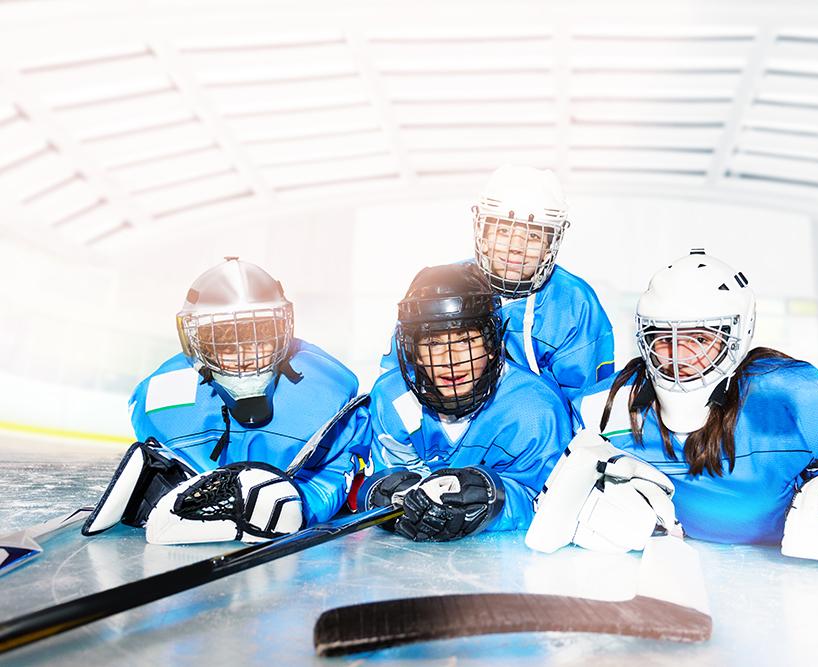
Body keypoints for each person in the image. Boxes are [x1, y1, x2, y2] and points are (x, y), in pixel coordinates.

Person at [555, 249, 818, 576]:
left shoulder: (788, 397)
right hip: (686, 578)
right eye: (663, 338)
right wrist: (584, 496)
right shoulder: (604, 409)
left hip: (795, 588)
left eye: (699, 338)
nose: (678, 356)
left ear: (736, 336)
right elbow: (549, 463)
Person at [82, 258, 371, 544]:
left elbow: (334, 474)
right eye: (225, 343)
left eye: (259, 338)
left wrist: (300, 505)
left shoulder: (331, 396)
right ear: (198, 344)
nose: (245, 358)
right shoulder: (159, 400)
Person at [361, 262, 572, 541]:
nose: (450, 361)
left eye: (465, 341)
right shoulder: (392, 398)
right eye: (434, 344)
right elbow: (391, 474)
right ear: (414, 352)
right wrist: (388, 495)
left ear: (491, 345)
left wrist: (494, 502)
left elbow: (552, 504)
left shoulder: (535, 410)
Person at [382, 165, 615, 402]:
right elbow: (397, 381)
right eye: (503, 231)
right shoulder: (440, 289)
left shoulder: (575, 303)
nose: (516, 246)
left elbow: (586, 402)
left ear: (549, 247)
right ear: (482, 235)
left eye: (533, 235)